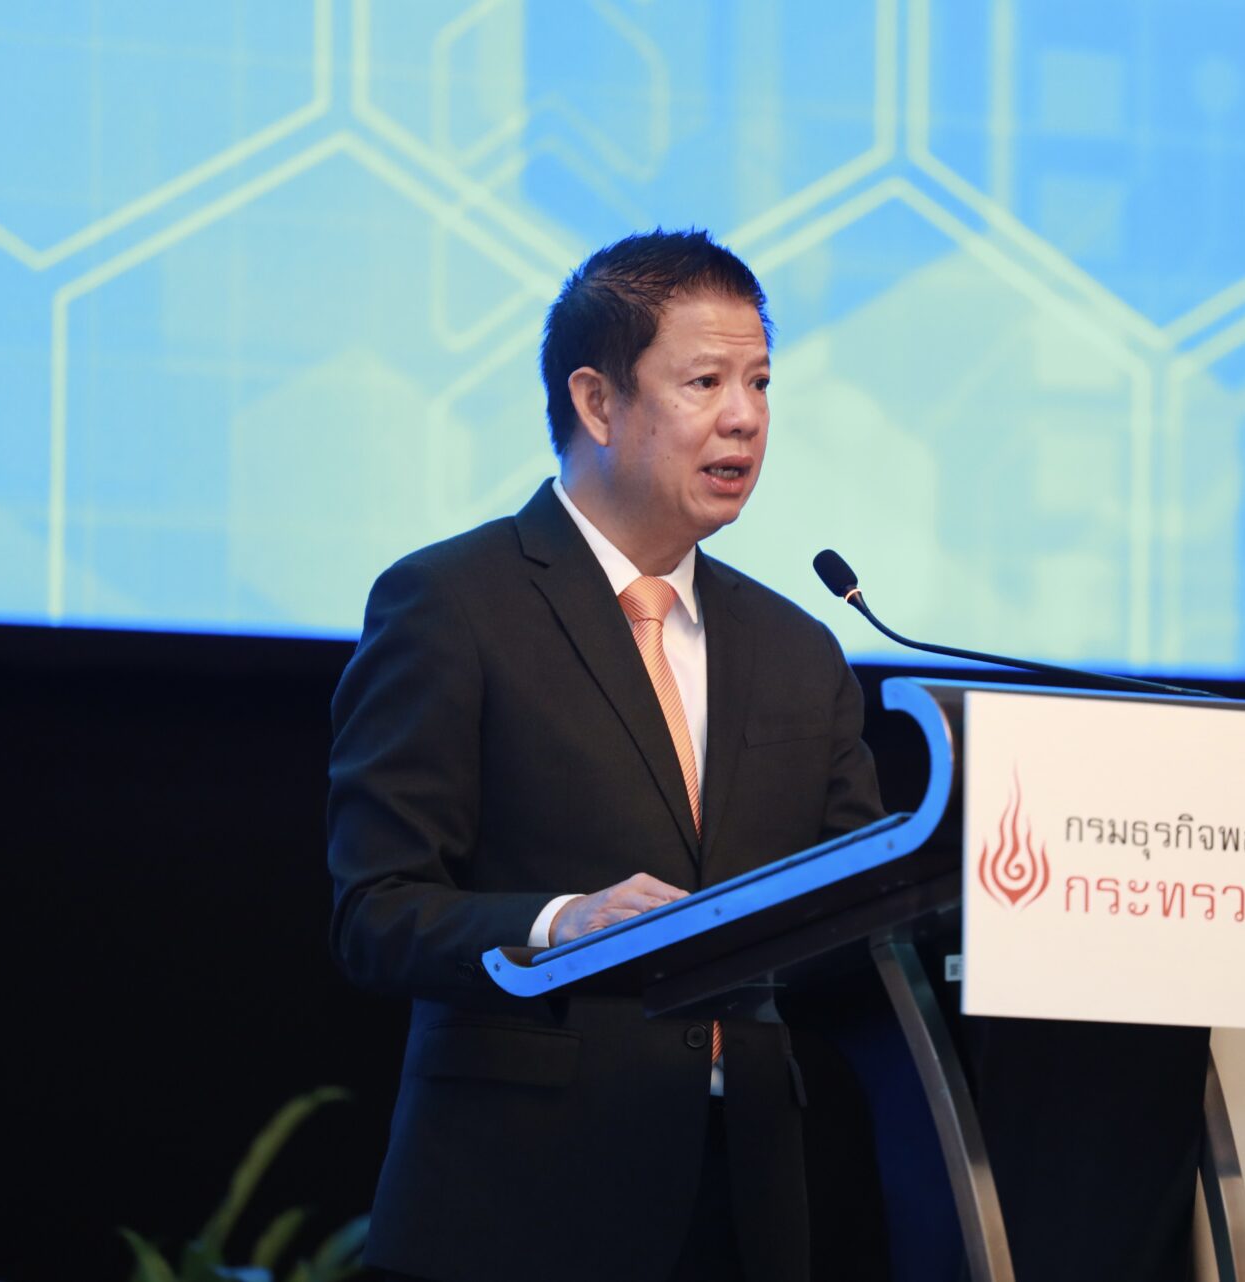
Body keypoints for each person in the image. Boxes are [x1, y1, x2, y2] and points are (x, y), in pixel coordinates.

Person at [327, 229, 884, 1282]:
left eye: (761, 383)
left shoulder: (798, 648)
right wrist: (561, 924)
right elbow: (377, 911)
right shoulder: (451, 605)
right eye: (705, 381)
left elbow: (857, 914)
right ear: (596, 402)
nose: (745, 416)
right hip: (521, 1205)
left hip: (749, 1206)